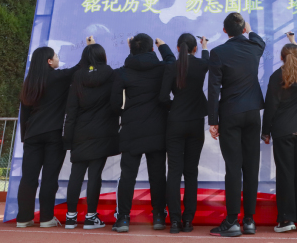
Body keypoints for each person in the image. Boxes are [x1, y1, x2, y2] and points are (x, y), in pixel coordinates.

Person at [16, 36, 94, 228]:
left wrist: (25, 136)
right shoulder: (58, 77)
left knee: (28, 177)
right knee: (49, 177)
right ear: (49, 61)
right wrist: (89, 48)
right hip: (54, 134)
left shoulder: (29, 82)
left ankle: (23, 218)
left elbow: (24, 112)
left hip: (32, 135)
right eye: (56, 56)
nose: (59, 59)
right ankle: (46, 218)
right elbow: (80, 67)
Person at [207, 13, 266, 237]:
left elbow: (214, 89)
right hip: (252, 113)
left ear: (224, 31)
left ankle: (232, 220)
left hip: (230, 113)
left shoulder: (218, 52)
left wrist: (213, 121)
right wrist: (249, 30)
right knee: (251, 167)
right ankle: (249, 220)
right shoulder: (254, 47)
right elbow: (260, 41)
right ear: (243, 29)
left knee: (233, 168)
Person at [110, 33, 176, 233]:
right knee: (158, 176)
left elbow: (114, 104)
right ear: (152, 49)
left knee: (127, 176)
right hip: (158, 128)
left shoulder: (122, 72)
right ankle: (158, 216)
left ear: (131, 49)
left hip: (131, 129)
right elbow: (172, 62)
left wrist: (126, 114)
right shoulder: (162, 68)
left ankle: (123, 219)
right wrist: (163, 46)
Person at [62, 40, 120, 229]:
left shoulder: (78, 76)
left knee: (76, 174)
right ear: (103, 56)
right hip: (103, 131)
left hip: (80, 132)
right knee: (95, 175)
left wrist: (67, 138)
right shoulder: (112, 74)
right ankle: (91, 217)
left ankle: (70, 217)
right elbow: (116, 103)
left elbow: (71, 110)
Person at [262, 32, 297, 233]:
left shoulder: (276, 76)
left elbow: (271, 106)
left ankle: (286, 220)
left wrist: (265, 132)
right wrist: (294, 41)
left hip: (283, 130)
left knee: (285, 174)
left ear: (281, 58)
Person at [159, 33, 209, 234]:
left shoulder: (172, 66)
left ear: (178, 48)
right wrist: (205, 47)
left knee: (174, 172)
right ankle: (188, 220)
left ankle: (174, 221)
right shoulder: (201, 65)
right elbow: (206, 60)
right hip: (196, 122)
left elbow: (163, 98)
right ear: (194, 48)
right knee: (191, 172)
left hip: (175, 123)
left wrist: (176, 107)